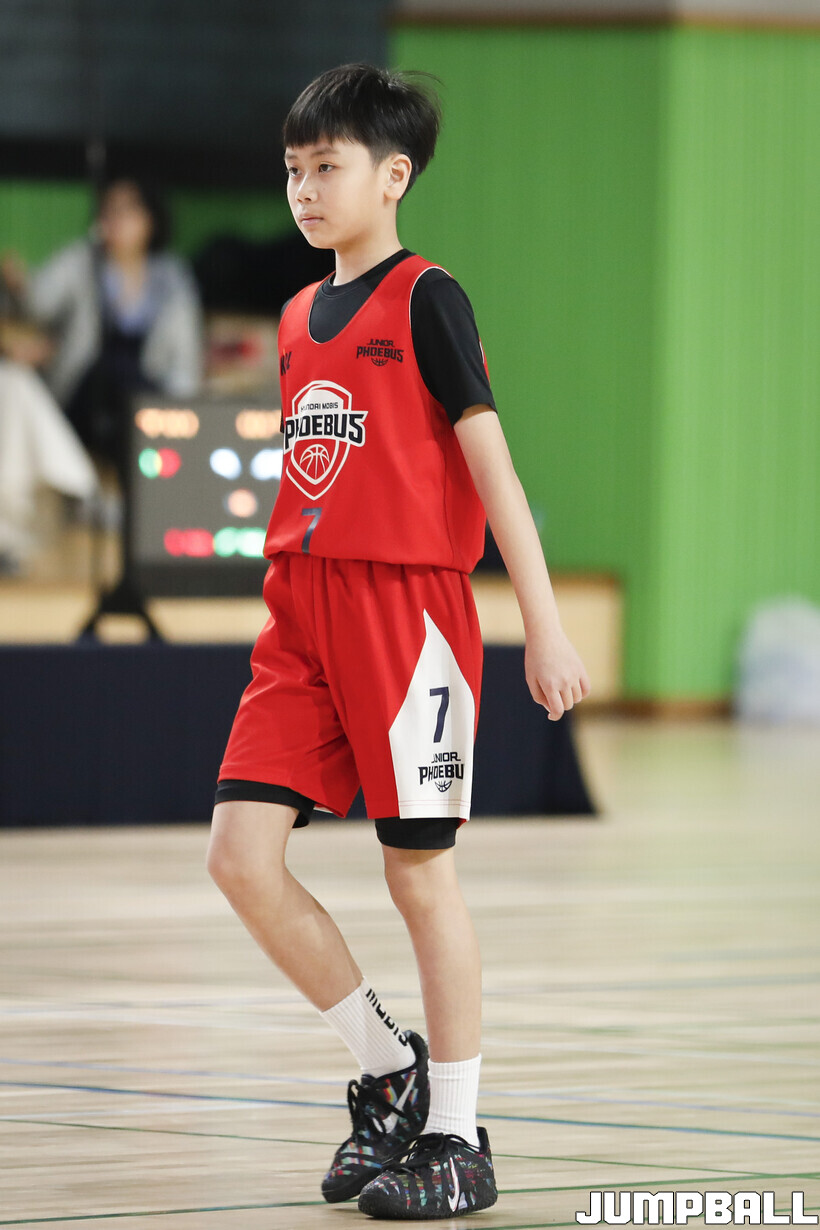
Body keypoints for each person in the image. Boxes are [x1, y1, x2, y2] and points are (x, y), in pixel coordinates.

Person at [206, 63, 591, 1220]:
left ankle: (458, 1136)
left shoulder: (429, 298)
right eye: (292, 169)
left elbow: (495, 473)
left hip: (407, 613)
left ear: (393, 175)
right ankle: (387, 1071)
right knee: (239, 858)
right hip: (301, 610)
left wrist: (542, 625)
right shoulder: (291, 318)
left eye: (326, 166)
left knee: (417, 871)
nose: (303, 189)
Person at [1, 177, 203, 464]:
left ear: (151, 220)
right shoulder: (82, 261)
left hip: (146, 404)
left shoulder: (172, 278)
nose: (116, 220)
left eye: (127, 210)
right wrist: (19, 285)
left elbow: (184, 360)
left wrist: (185, 418)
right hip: (83, 397)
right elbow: (38, 303)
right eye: (109, 210)